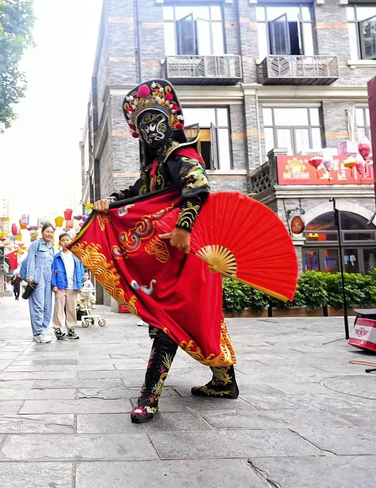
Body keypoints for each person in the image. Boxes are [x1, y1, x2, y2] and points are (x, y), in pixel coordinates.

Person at [93, 79, 237, 424]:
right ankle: (224, 380)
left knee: (168, 324)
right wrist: (110, 202)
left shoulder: (180, 155)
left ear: (171, 122)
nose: (150, 129)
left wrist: (185, 226)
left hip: (189, 252)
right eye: (143, 125)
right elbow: (137, 194)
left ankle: (150, 397)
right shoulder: (155, 166)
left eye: (155, 120)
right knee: (194, 321)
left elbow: (198, 189)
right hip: (173, 257)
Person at [25, 223, 55, 343]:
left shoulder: (51, 248)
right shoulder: (35, 245)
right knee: (38, 306)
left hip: (48, 279)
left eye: (51, 232)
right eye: (47, 231)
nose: (49, 234)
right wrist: (30, 276)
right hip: (37, 279)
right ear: (42, 232)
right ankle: (37, 333)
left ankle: (43, 331)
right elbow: (31, 260)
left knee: (47, 306)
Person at [50, 233, 84, 340]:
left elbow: (81, 271)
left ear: (71, 241)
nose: (65, 242)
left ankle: (71, 328)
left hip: (73, 286)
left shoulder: (76, 256)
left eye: (67, 240)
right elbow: (52, 271)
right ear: (60, 242)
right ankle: (57, 329)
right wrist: (54, 285)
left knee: (71, 308)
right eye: (63, 240)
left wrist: (80, 284)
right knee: (59, 308)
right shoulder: (57, 257)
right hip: (60, 286)